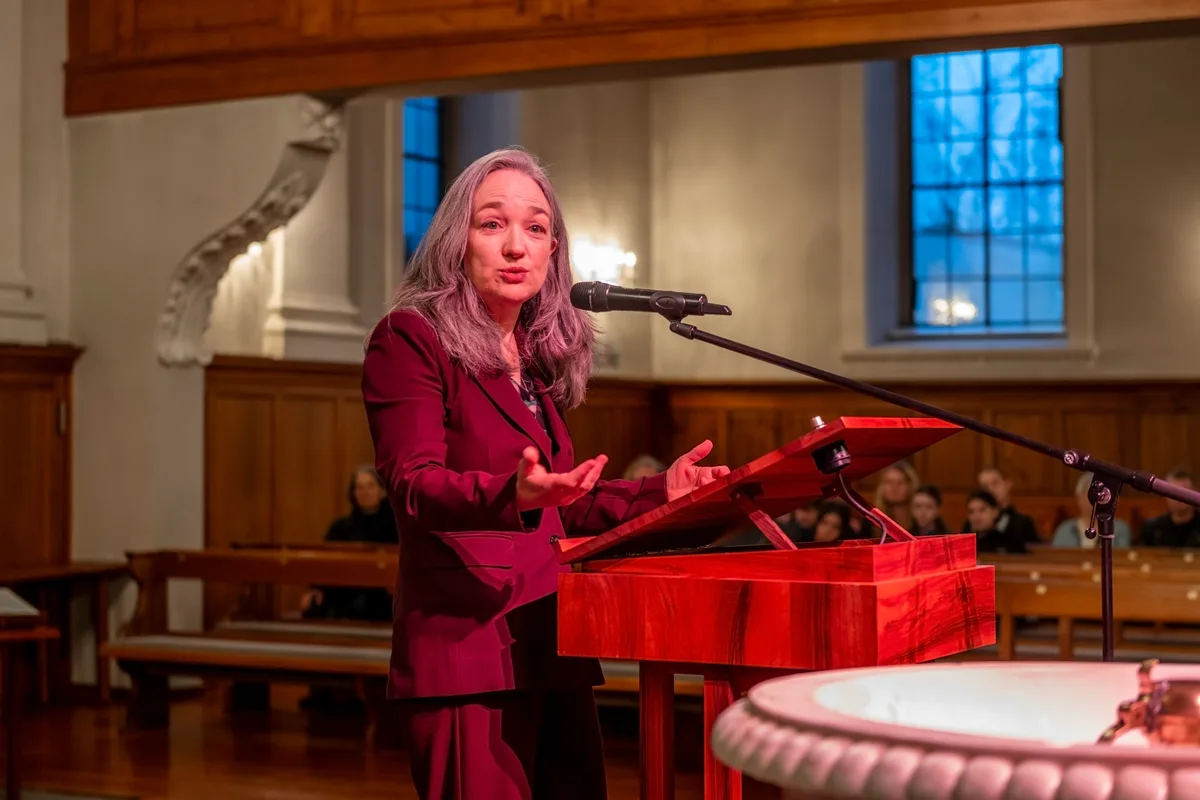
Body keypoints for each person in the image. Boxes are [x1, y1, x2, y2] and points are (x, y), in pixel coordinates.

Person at [361, 147, 731, 800]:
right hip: (466, 650)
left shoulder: (533, 362)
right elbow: (413, 484)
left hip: (550, 640)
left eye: (535, 228)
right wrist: (513, 494)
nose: (516, 246)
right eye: (492, 223)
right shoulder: (410, 337)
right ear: (456, 240)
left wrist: (663, 493)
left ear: (554, 252)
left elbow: (568, 503)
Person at [301, 465, 398, 623]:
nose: (364, 492)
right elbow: (324, 562)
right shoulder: (340, 527)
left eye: (370, 486)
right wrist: (315, 588)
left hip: (382, 592)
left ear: (382, 491)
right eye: (359, 487)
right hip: (344, 590)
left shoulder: (396, 528)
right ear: (353, 493)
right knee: (315, 605)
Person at [1052, 471, 1131, 549]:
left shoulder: (1119, 529)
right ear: (1078, 497)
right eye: (1090, 495)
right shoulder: (1065, 530)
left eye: (1099, 496)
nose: (1094, 500)